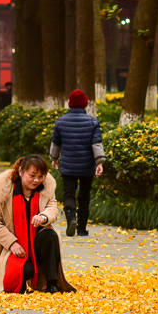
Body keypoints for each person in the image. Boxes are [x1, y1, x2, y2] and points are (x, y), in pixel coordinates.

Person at [0, 154, 75, 294]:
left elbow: (53, 209)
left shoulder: (45, 190)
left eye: (41, 176)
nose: (36, 180)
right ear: (21, 172)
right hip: (15, 246)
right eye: (32, 176)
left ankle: (52, 283)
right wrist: (12, 243)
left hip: (37, 242)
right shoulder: (5, 191)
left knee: (50, 235)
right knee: (23, 272)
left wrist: (44, 217)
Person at [50, 89, 105, 237]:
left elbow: (56, 143)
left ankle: (71, 219)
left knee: (69, 194)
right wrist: (99, 162)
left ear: (70, 104)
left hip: (68, 166)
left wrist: (54, 159)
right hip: (87, 166)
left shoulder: (60, 122)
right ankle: (81, 229)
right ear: (85, 104)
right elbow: (96, 144)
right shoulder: (93, 122)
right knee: (84, 196)